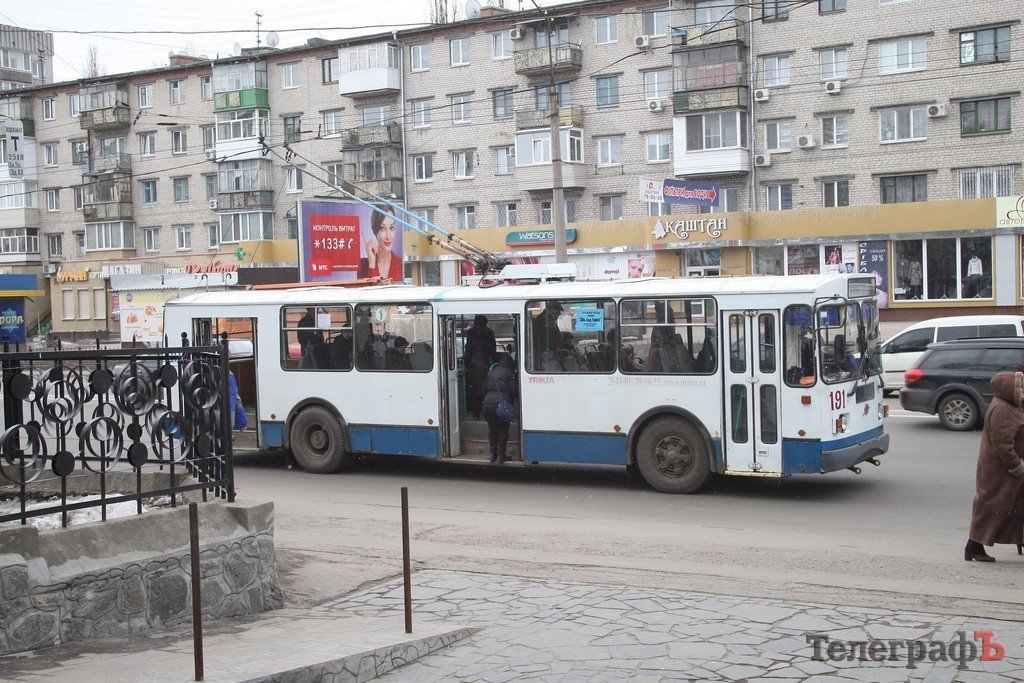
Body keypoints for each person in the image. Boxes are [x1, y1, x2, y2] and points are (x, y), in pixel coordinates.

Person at [965, 371, 1024, 562]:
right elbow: (1003, 445)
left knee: (1016, 505)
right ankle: (974, 546)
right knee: (992, 506)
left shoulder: (1009, 406)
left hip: (1005, 470)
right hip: (1000, 471)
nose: (1022, 391)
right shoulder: (1002, 409)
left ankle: (1020, 539)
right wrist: (1017, 466)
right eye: (1019, 387)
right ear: (1008, 388)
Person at [482, 353, 517, 463]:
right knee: (503, 430)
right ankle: (501, 455)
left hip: (488, 405)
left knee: (492, 431)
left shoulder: (491, 372)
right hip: (502, 405)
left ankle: (493, 455)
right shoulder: (509, 372)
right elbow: (514, 390)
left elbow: (484, 389)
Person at [464, 315, 497, 419]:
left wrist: (466, 364)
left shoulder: (471, 333)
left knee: (474, 390)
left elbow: (468, 350)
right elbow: (493, 350)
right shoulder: (489, 333)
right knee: (486, 389)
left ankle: (476, 413)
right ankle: (486, 412)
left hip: (473, 365)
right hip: (486, 364)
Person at [361, 207, 404, 281]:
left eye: (391, 228)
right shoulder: (363, 265)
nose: (388, 236)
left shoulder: (401, 264)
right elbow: (368, 288)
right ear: (375, 231)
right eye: (382, 228)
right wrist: (372, 264)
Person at [532, 301, 563, 370]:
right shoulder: (544, 320)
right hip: (546, 355)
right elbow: (547, 338)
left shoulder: (548, 319)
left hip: (550, 354)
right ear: (551, 310)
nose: (559, 314)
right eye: (558, 311)